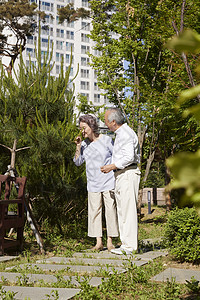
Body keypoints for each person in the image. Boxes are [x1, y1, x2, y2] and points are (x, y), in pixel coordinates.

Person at [73, 114, 119, 251]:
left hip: (108, 181)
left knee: (110, 211)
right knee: (94, 212)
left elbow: (116, 157)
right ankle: (98, 242)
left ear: (92, 126)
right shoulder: (84, 144)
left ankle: (110, 241)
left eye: (84, 128)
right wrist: (78, 146)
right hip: (92, 183)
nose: (82, 131)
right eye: (80, 128)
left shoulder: (106, 140)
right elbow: (77, 162)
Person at [101, 108, 140, 255]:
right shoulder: (121, 133)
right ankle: (126, 245)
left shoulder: (125, 133)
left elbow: (129, 157)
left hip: (128, 173)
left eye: (106, 120)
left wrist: (112, 166)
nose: (105, 123)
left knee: (128, 211)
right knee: (122, 210)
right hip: (122, 174)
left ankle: (130, 247)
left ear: (113, 122)